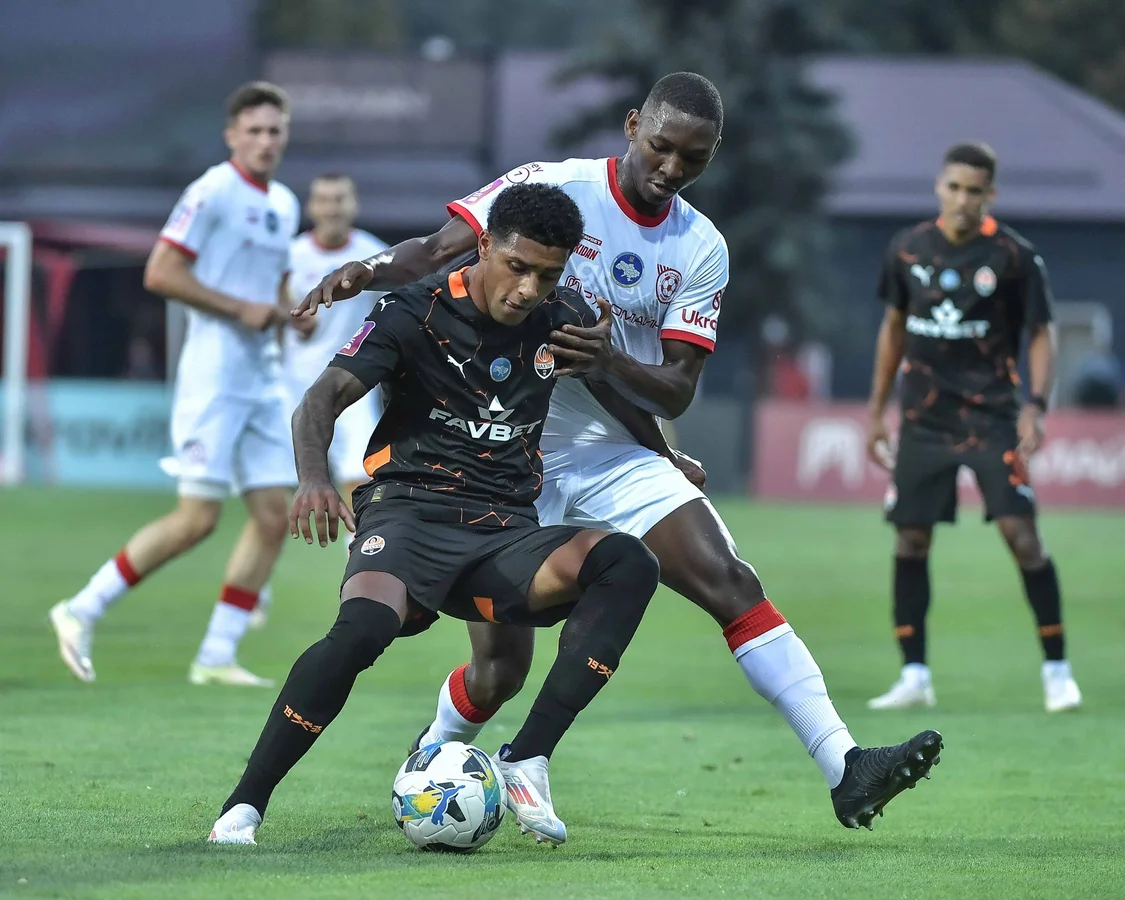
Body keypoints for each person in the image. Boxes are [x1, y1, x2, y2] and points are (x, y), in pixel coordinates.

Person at [296, 72, 942, 830]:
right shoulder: (551, 187)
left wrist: (617, 378)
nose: (671, 168)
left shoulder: (701, 247)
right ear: (634, 126)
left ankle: (844, 765)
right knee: (500, 670)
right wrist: (367, 271)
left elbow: (676, 390)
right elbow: (437, 251)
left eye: (693, 158)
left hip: (613, 449)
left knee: (729, 579)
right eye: (661, 147)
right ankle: (434, 753)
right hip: (503, 457)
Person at [209, 183, 662, 847]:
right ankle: (243, 806)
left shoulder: (566, 315)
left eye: (546, 274)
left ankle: (527, 757)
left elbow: (610, 393)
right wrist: (313, 478)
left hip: (504, 530)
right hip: (409, 513)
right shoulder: (412, 312)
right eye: (517, 267)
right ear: (483, 246)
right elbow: (321, 398)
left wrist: (666, 456)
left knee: (626, 563)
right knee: (361, 631)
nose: (529, 290)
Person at [49, 82, 308, 688]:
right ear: (231, 135)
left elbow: (271, 282)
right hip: (214, 375)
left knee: (274, 517)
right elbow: (161, 272)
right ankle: (81, 608)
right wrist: (238, 309)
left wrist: (290, 311)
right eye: (254, 130)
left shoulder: (284, 202)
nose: (265, 141)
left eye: (275, 131)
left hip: (263, 377)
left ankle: (216, 655)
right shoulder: (212, 190)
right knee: (197, 519)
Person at [865, 142, 1082, 713]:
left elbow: (1041, 333)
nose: (963, 199)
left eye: (975, 191)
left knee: (1022, 537)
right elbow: (893, 328)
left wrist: (1036, 405)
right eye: (955, 187)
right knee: (911, 539)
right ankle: (914, 675)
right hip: (923, 418)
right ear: (940, 187)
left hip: (992, 417)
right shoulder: (907, 248)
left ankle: (1058, 671)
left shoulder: (1014, 256)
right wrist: (876, 411)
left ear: (991, 195)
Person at [251, 174, 390, 629]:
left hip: (352, 389)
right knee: (272, 497)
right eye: (325, 200)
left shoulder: (373, 256)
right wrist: (287, 320)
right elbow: (268, 312)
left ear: (353, 204)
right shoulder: (291, 256)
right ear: (312, 207)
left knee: (360, 482)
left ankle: (362, 580)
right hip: (292, 390)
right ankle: (253, 588)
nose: (332, 207)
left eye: (339, 199)